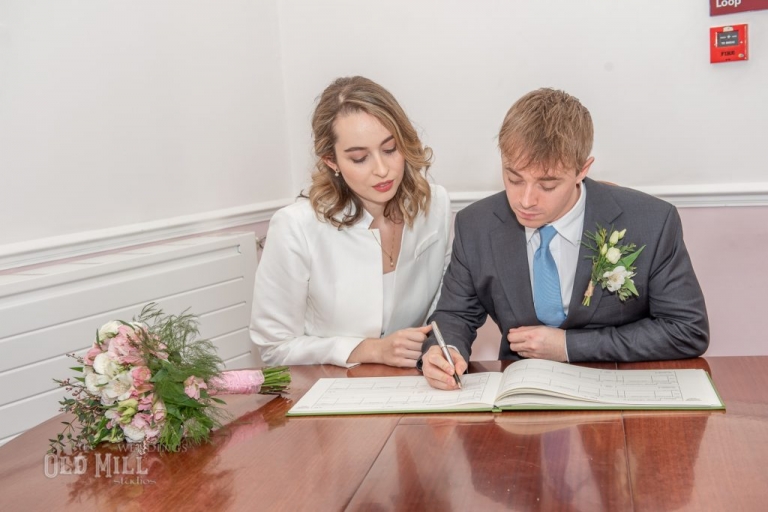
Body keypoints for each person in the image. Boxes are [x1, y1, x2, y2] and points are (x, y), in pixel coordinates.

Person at [422, 88, 709, 389]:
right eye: (514, 178)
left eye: (547, 185)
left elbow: (687, 329)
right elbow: (455, 315)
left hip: (620, 390)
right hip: (521, 395)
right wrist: (445, 351)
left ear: (582, 170)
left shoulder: (650, 222)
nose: (526, 200)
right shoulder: (476, 225)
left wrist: (569, 346)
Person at [250, 76, 451, 368]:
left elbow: (443, 309)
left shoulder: (435, 205)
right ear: (332, 161)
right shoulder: (296, 226)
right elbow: (274, 348)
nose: (382, 170)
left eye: (390, 149)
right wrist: (368, 350)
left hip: (410, 385)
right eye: (359, 158)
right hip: (327, 389)